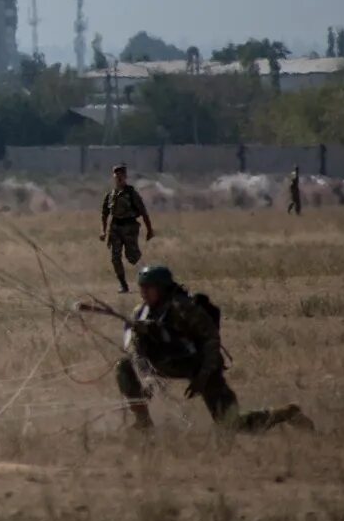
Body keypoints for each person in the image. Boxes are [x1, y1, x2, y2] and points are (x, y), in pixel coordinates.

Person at [113, 264, 310, 433]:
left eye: (149, 287)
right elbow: (133, 347)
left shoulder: (185, 309)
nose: (144, 292)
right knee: (123, 366)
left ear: (162, 288)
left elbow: (211, 341)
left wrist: (203, 376)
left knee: (231, 424)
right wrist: (146, 376)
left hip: (199, 365)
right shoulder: (140, 311)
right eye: (142, 287)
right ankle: (143, 421)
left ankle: (286, 413)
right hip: (165, 362)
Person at [99, 163, 154, 293]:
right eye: (116, 175)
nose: (119, 177)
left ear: (125, 176)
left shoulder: (131, 193)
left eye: (121, 175)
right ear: (113, 176)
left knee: (132, 256)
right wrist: (103, 231)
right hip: (115, 228)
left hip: (129, 227)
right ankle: (123, 284)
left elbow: (143, 212)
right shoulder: (110, 195)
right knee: (115, 257)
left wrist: (149, 230)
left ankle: (150, 279)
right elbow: (104, 214)